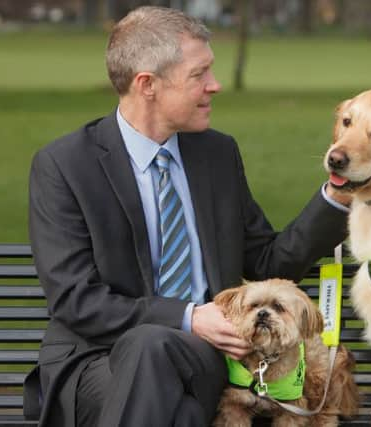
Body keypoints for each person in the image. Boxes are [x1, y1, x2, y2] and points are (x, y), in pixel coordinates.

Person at [24, 6, 349, 427]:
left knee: (163, 362)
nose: (215, 86)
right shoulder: (65, 165)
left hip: (205, 362)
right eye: (200, 74)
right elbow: (75, 300)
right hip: (95, 363)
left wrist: (338, 197)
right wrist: (188, 317)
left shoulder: (215, 154)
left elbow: (267, 262)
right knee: (155, 356)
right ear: (148, 85)